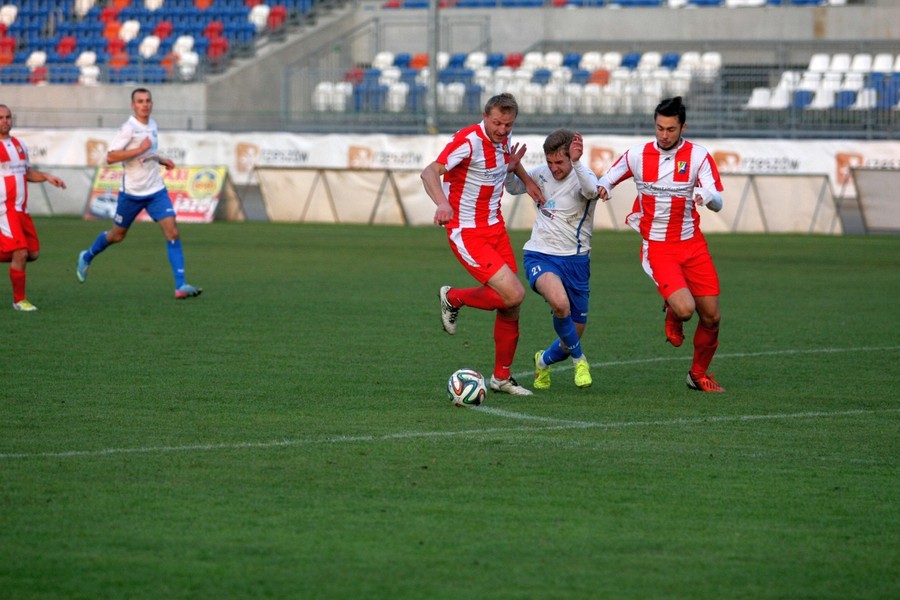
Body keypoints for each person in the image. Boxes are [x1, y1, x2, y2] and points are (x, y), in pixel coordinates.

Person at [597, 96, 726, 393]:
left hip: (692, 245)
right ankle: (673, 313)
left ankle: (697, 375)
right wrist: (603, 187)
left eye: (670, 129)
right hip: (658, 247)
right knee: (685, 309)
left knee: (712, 316)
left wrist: (707, 197)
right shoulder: (638, 155)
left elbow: (718, 200)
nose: (664, 135)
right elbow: (608, 177)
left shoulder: (698, 156)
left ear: (683, 127)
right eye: (659, 128)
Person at [421, 93, 545, 396]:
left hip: (495, 228)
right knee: (513, 293)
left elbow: (506, 162)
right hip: (467, 232)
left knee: (511, 305)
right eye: (497, 123)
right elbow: (429, 172)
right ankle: (454, 297)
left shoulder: (503, 138)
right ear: (485, 116)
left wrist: (526, 179)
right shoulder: (468, 141)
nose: (502, 130)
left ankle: (501, 378)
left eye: (508, 124)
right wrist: (442, 203)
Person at [76, 87, 201, 299]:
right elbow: (111, 157)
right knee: (117, 235)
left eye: (148, 101)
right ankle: (87, 256)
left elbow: (148, 152)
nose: (145, 104)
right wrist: (139, 149)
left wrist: (161, 159)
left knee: (172, 232)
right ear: (133, 105)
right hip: (132, 194)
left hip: (155, 191)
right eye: (140, 101)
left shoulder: (152, 125)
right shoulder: (128, 128)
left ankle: (180, 285)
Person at [506, 129, 598, 390]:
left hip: (577, 262)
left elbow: (592, 190)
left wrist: (577, 163)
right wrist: (510, 170)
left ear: (572, 157)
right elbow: (513, 187)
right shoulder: (542, 174)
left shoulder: (584, 176)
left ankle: (543, 361)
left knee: (569, 340)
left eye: (560, 162)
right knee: (559, 303)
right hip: (540, 254)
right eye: (549, 162)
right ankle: (580, 361)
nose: (554, 168)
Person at [0, 104, 67, 311]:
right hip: (5, 209)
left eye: (8, 117)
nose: (5, 121)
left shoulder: (19, 145)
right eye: (1, 118)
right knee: (20, 252)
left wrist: (46, 176)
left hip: (21, 209)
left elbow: (26, 172)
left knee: (32, 253)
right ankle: (19, 301)